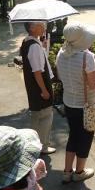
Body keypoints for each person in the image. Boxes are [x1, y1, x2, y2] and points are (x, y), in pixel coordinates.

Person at [55, 21, 95, 183]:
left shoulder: (61, 53)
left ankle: (67, 171)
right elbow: (92, 84)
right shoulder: (87, 57)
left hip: (69, 102)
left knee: (73, 134)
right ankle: (79, 171)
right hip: (85, 105)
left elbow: (60, 77)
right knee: (85, 137)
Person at [20, 21, 55, 154]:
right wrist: (44, 90)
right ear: (32, 28)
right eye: (41, 25)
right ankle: (42, 146)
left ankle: (35, 145)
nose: (44, 27)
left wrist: (43, 47)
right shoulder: (34, 46)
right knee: (45, 117)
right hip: (39, 87)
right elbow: (37, 71)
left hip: (33, 87)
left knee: (37, 117)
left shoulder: (28, 42)